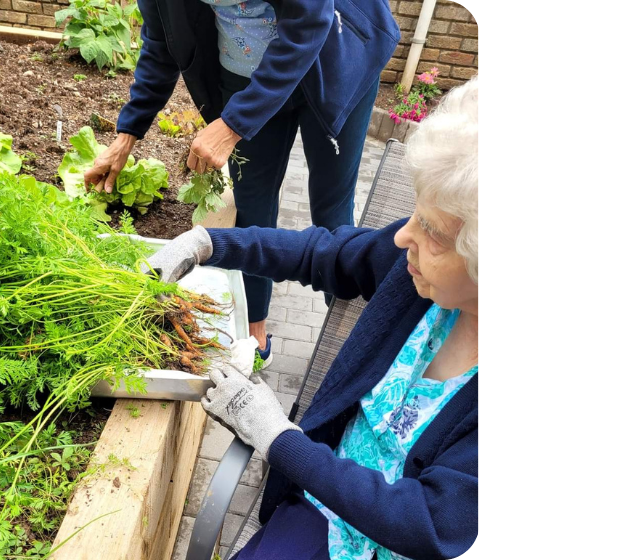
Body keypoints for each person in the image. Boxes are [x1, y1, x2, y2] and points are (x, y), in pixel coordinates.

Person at [144, 78, 479, 559]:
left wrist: (279, 438)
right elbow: (322, 252)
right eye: (415, 214)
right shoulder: (414, 272)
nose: (403, 237)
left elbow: (431, 523)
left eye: (433, 232)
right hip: (318, 518)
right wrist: (211, 244)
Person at [84, 0, 401, 368]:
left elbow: (310, 21)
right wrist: (126, 137)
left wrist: (233, 124)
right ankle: (254, 335)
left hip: (332, 55)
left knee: (332, 209)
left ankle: (345, 344)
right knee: (252, 202)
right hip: (243, 72)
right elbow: (162, 43)